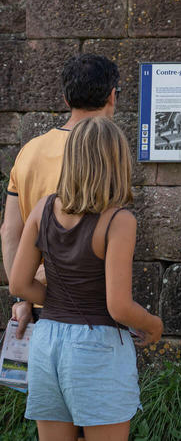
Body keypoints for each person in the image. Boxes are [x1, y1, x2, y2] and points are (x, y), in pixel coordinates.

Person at [9, 117, 163, 441]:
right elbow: (119, 307)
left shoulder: (42, 209)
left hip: (46, 340)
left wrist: (59, 300)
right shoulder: (119, 220)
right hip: (97, 346)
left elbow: (19, 285)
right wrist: (153, 324)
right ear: (117, 163)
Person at [1, 53, 120, 338]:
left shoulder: (29, 150)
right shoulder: (104, 153)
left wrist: (24, 297)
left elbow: (9, 232)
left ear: (66, 100)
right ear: (113, 97)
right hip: (84, 309)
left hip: (37, 302)